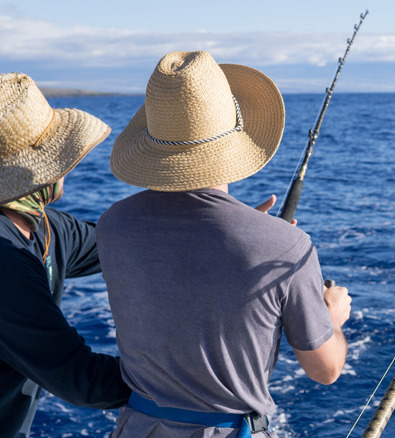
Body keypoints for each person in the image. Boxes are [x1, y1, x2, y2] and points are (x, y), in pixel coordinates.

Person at [95, 50, 352, 437]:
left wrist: (242, 233)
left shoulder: (113, 224)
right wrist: (330, 320)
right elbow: (325, 370)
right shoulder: (286, 245)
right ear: (235, 133)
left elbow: (183, 258)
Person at [0, 73, 132, 437]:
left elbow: (125, 247)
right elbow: (82, 381)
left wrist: (232, 236)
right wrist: (183, 386)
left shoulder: (41, 224)